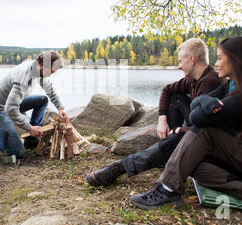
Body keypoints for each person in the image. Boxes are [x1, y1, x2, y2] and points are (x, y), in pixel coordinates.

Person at [130, 36, 242, 225]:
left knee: (204, 132)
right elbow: (195, 107)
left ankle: (167, 189)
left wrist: (205, 104)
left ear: (234, 59)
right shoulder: (231, 84)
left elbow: (199, 119)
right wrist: (206, 102)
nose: (216, 63)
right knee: (192, 161)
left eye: (219, 58)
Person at [86, 38, 222, 186]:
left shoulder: (210, 81)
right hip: (195, 129)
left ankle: (118, 168)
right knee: (175, 96)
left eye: (180, 61)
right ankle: (168, 151)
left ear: (192, 60)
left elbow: (207, 127)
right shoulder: (194, 79)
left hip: (206, 140)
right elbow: (167, 90)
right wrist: (162, 120)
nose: (178, 66)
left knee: (174, 139)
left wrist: (179, 130)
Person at [0, 51, 69, 158]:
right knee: (17, 152)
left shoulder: (38, 69)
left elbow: (50, 90)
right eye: (51, 71)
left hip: (12, 102)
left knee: (42, 100)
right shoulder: (24, 77)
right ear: (42, 65)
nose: (50, 75)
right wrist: (29, 128)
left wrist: (60, 108)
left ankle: (31, 138)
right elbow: (10, 110)